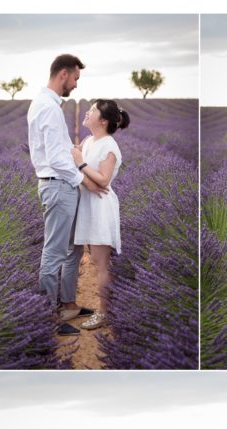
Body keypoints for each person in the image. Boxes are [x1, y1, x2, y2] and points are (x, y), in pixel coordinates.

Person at [27, 54, 107, 337]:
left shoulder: (49, 105)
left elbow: (61, 152)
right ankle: (48, 317)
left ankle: (69, 304)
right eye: (75, 78)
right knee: (54, 252)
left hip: (63, 185)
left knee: (73, 249)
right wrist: (83, 181)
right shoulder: (47, 108)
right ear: (63, 74)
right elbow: (56, 159)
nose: (75, 84)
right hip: (58, 185)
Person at [70, 99, 130, 330]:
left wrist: (80, 162)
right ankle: (106, 309)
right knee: (95, 260)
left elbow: (104, 179)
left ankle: (104, 312)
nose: (87, 112)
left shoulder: (109, 146)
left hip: (100, 207)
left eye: (92, 110)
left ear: (103, 121)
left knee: (101, 263)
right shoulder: (89, 140)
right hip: (87, 204)